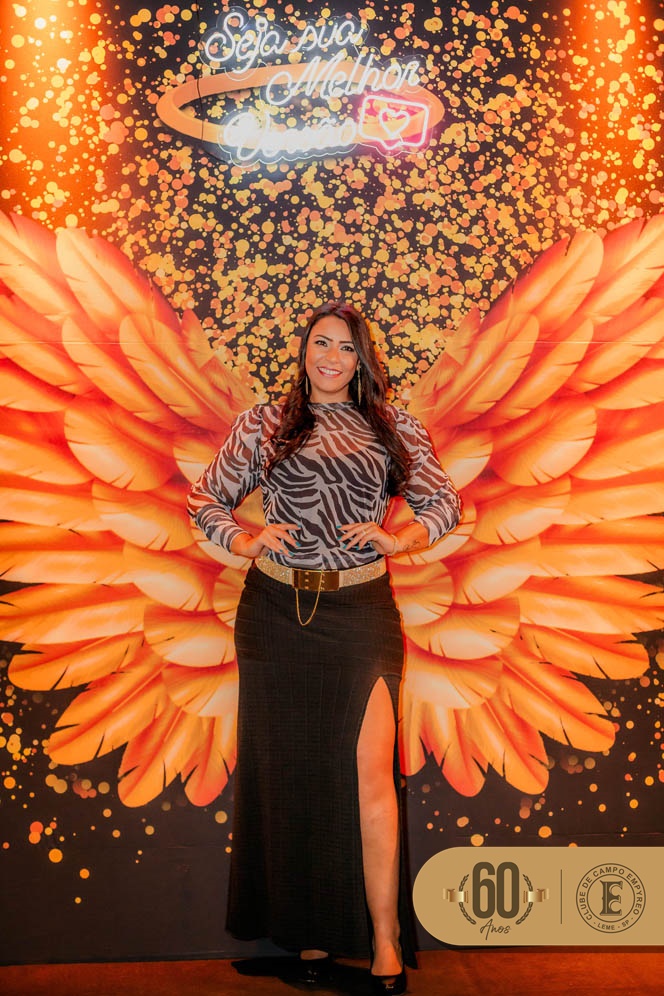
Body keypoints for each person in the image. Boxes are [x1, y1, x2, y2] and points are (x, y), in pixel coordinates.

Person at [187, 301, 461, 994]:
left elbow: (443, 504)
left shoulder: (393, 426)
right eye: (320, 343)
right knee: (294, 778)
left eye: (345, 347)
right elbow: (204, 501)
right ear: (304, 351)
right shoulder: (265, 423)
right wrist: (244, 538)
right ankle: (308, 937)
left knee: (371, 778)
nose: (331, 357)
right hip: (274, 615)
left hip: (360, 612)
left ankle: (385, 942)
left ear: (361, 359)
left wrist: (401, 539)